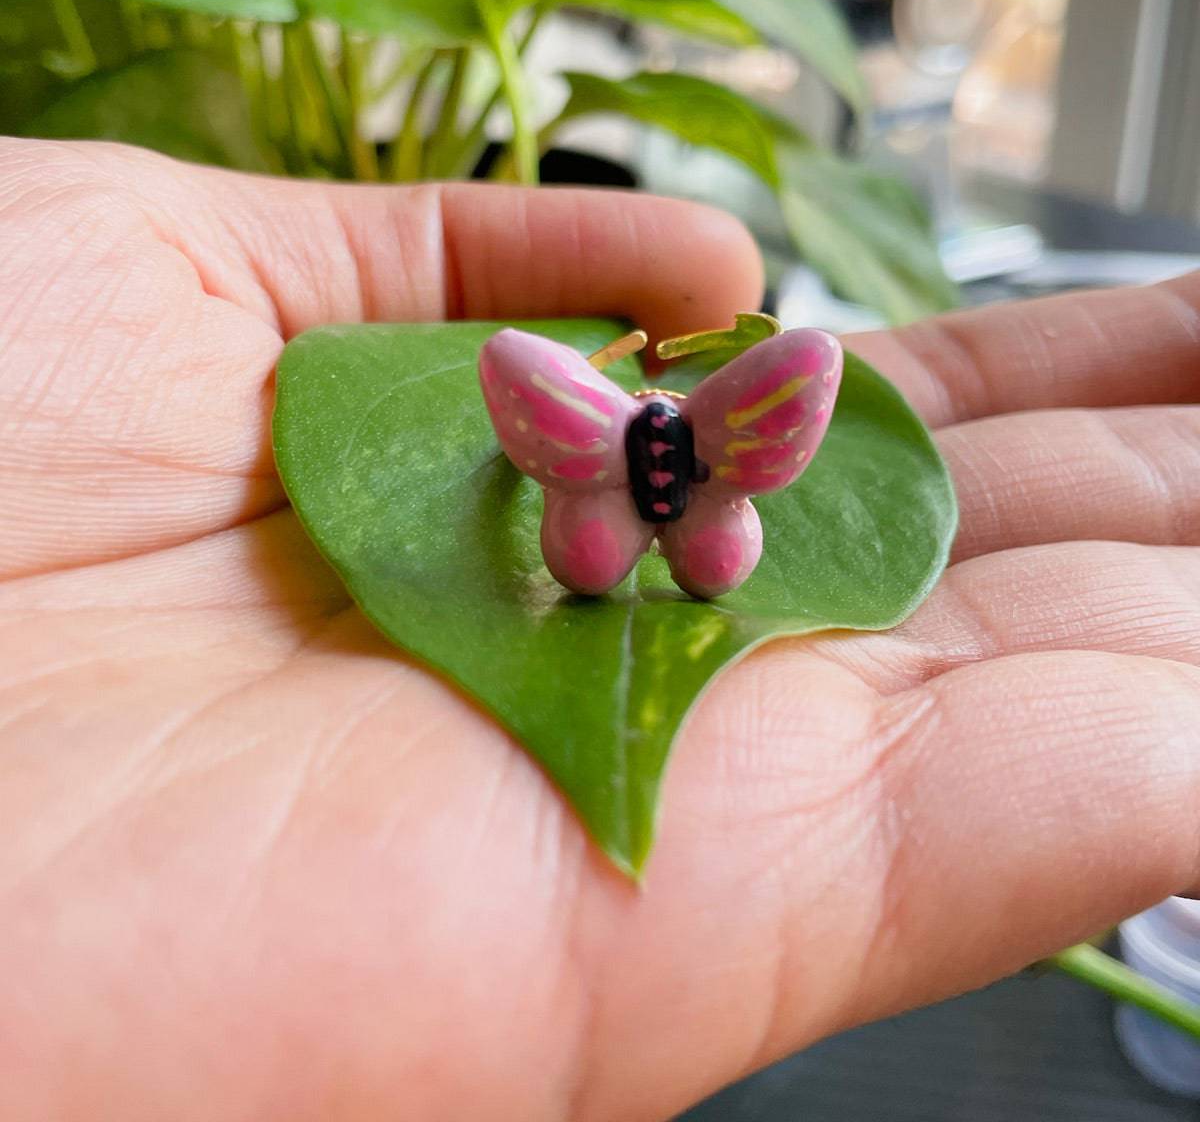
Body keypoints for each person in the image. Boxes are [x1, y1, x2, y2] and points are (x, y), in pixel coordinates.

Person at [1, 136, 1198, 1121]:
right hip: (650, 519)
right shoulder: (678, 435)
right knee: (624, 550)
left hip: (636, 511)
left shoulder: (607, 431)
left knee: (645, 547)